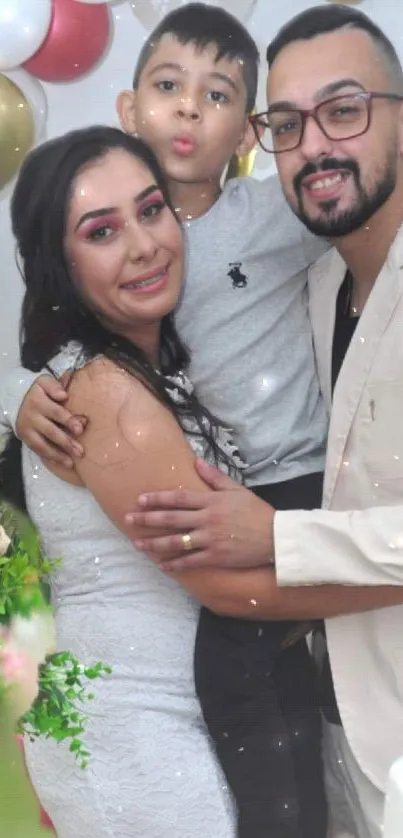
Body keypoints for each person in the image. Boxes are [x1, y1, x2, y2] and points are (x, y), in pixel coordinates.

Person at [2, 7, 332, 837]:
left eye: (151, 212)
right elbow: (227, 588)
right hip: (134, 736)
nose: (147, 244)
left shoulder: (255, 232)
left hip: (135, 712)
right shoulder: (97, 387)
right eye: (103, 230)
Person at [95, 5, 403, 838]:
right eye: (290, 122)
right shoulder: (299, 278)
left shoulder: (277, 227)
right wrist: (25, 399)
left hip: (288, 505)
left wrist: (275, 537)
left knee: (230, 669)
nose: (314, 146)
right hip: (344, 740)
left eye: (344, 110)